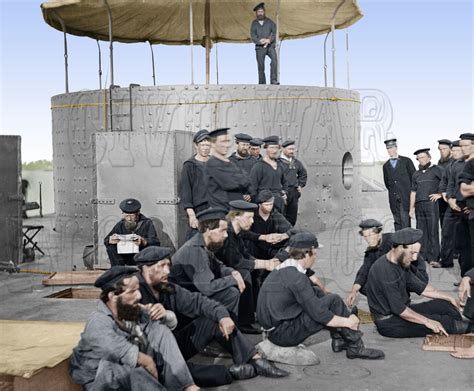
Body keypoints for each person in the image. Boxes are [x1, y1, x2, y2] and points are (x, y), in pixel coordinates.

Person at [135, 246, 289, 381]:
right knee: (183, 374)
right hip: (149, 356)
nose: (167, 271)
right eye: (161, 266)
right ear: (146, 268)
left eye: (168, 265)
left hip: (174, 344)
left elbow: (199, 301)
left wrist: (223, 316)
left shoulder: (167, 287)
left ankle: (254, 359)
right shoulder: (132, 292)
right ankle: (230, 373)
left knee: (212, 321)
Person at [257, 231, 385, 360]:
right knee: (333, 301)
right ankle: (356, 347)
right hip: (282, 335)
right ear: (307, 253)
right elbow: (319, 315)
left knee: (317, 292)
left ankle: (339, 340)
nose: (315, 257)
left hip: (274, 329)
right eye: (315, 253)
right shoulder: (297, 278)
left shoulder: (285, 269)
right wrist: (348, 322)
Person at [70, 266, 199, 391]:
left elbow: (167, 327)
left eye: (138, 289)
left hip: (135, 379)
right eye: (132, 291)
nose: (139, 296)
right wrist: (146, 362)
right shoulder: (98, 321)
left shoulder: (129, 310)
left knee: (160, 330)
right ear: (113, 296)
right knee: (121, 367)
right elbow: (121, 351)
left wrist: (165, 314)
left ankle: (186, 386)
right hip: (101, 382)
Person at [366, 228, 473, 338]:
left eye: (417, 253)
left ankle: (462, 326)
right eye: (412, 253)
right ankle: (465, 328)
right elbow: (401, 310)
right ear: (399, 247)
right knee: (444, 322)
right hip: (389, 322)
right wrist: (427, 321)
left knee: (445, 305)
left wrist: (449, 298)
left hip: (402, 311)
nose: (414, 258)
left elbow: (423, 288)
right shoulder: (385, 272)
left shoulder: (399, 262)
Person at [170, 207, 247, 320]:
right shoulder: (194, 250)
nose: (226, 235)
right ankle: (220, 330)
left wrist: (233, 273)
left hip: (195, 291)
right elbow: (207, 288)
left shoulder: (204, 245)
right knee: (230, 294)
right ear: (207, 229)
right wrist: (233, 279)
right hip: (185, 302)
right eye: (222, 230)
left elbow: (218, 266)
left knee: (230, 292)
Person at [215, 200, 280, 333]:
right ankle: (242, 321)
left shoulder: (237, 232)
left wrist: (260, 263)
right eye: (248, 218)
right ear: (236, 216)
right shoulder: (228, 234)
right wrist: (265, 264)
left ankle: (253, 312)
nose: (252, 221)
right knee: (244, 273)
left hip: (227, 268)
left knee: (254, 271)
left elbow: (245, 254)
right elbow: (236, 262)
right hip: (217, 272)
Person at [346, 219, 393, 308]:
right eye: (365, 236)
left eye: (370, 235)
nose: (368, 240)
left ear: (379, 233)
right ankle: (386, 302)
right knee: (363, 286)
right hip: (388, 279)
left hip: (404, 275)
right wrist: (353, 291)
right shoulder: (371, 251)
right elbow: (364, 271)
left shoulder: (393, 241)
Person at [432, 140, 463, 268]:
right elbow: (445, 182)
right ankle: (446, 261)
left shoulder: (468, 164)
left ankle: (467, 271)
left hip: (464, 205)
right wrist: (444, 194)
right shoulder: (450, 166)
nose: (455, 153)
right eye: (453, 150)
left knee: (464, 237)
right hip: (451, 204)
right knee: (446, 232)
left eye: (457, 151)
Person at [446, 133, 474, 277]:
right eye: (460, 146)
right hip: (457, 208)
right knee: (462, 246)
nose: (462, 149)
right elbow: (451, 184)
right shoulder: (456, 164)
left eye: (465, 146)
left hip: (470, 208)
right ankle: (465, 276)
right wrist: (450, 199)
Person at [409, 148, 443, 263]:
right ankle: (422, 256)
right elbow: (413, 192)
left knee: (432, 231)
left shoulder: (437, 170)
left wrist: (440, 194)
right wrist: (411, 208)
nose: (421, 160)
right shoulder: (416, 174)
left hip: (431, 204)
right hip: (419, 205)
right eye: (419, 158)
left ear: (429, 157)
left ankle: (434, 257)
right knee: (421, 231)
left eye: (423, 157)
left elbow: (447, 182)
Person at [205, 128, 251, 210]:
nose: (226, 145)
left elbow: (247, 182)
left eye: (227, 141)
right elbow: (231, 184)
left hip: (235, 210)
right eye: (222, 141)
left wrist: (241, 179)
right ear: (213, 144)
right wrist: (240, 178)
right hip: (223, 212)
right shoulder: (212, 163)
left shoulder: (230, 163)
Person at [104, 198, 160, 266]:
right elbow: (106, 240)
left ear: (138, 213)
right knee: (111, 248)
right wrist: (110, 240)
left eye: (132, 215)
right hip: (125, 257)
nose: (129, 219)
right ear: (122, 213)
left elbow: (156, 242)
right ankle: (118, 271)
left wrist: (144, 241)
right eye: (126, 215)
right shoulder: (120, 224)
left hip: (140, 257)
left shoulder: (147, 223)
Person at [243, 190, 295, 260]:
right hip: (253, 250)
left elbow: (291, 230)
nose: (269, 207)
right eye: (266, 205)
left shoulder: (276, 215)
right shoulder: (252, 215)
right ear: (260, 204)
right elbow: (244, 233)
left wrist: (283, 236)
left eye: (271, 204)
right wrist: (263, 237)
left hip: (271, 250)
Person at [181, 129, 211, 239]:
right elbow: (186, 193)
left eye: (208, 145)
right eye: (202, 145)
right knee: (197, 242)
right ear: (196, 145)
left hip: (215, 209)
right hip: (199, 212)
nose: (206, 148)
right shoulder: (189, 166)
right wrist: (192, 216)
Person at [382, 138, 416, 230]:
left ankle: (407, 243)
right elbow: (387, 183)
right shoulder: (385, 166)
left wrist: (412, 197)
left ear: (396, 148)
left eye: (392, 148)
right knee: (397, 222)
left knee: (405, 221)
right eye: (388, 149)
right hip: (393, 199)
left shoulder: (406, 161)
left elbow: (414, 179)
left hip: (405, 197)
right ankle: (399, 243)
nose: (390, 150)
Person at [250, 136, 287, 213]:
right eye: (271, 148)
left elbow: (285, 182)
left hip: (278, 203)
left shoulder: (280, 165)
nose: (274, 151)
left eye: (276, 148)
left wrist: (284, 193)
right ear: (266, 148)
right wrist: (259, 203)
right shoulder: (258, 166)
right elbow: (253, 188)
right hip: (264, 204)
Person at [278, 139, 307, 225]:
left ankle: (289, 235)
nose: (292, 151)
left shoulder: (296, 162)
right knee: (281, 215)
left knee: (292, 216)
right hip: (282, 192)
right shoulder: (278, 163)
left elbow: (303, 174)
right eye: (290, 149)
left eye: (293, 149)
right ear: (283, 149)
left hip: (293, 193)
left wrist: (300, 185)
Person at [250, 2, 278, 85]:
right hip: (259, 47)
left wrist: (269, 40)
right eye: (258, 12)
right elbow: (253, 36)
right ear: (256, 13)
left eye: (262, 11)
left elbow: (274, 32)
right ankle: (262, 83)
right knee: (261, 66)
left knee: (274, 60)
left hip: (270, 46)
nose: (260, 13)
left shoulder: (270, 22)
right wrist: (259, 41)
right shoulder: (254, 23)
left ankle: (273, 80)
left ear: (264, 11)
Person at [437, 139, 454, 227]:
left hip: (451, 198)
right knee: (443, 225)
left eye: (444, 149)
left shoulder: (454, 162)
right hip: (441, 200)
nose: (442, 151)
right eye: (440, 149)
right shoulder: (439, 163)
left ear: (450, 149)